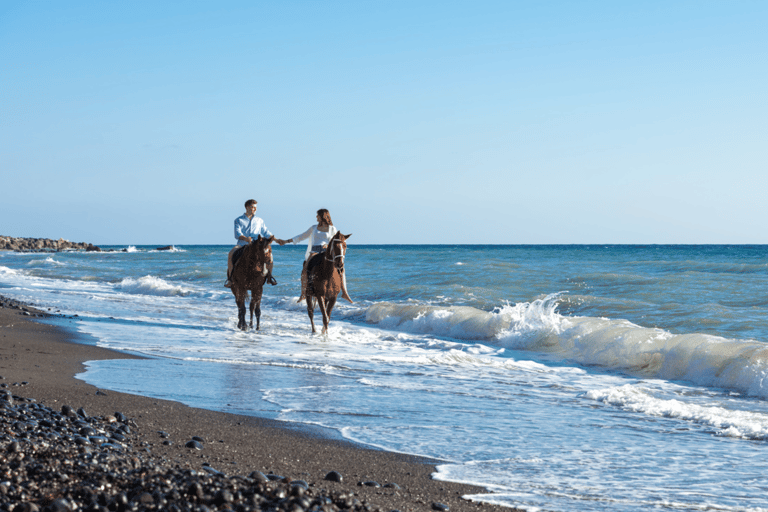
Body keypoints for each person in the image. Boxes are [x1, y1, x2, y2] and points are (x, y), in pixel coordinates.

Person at [279, 209, 353, 303]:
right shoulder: (314, 228)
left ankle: (344, 292)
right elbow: (302, 236)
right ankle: (303, 293)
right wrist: (286, 241)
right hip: (314, 251)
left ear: (322, 216)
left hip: (327, 252)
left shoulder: (332, 229)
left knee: (341, 267)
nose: (316, 217)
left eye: (317, 215)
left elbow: (337, 240)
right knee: (305, 268)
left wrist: (329, 244)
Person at [226, 199, 286, 288]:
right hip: (242, 244)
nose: (255, 209)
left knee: (270, 256)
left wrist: (276, 240)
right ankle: (230, 279)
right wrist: (246, 238)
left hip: (257, 245)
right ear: (247, 207)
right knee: (231, 253)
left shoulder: (259, 220)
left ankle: (269, 276)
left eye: (256, 208)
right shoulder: (238, 220)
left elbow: (266, 232)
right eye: (253, 207)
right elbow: (237, 234)